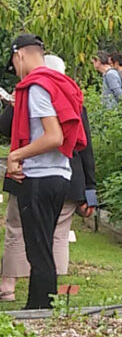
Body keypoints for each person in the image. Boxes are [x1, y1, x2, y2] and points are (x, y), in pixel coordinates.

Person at [0, 55, 97, 302]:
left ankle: (10, 286)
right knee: (57, 236)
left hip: (34, 174)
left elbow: (6, 128)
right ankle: (50, 292)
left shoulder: (32, 93)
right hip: (67, 179)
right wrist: (90, 191)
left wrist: (12, 104)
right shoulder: (73, 100)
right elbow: (85, 148)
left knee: (18, 230)